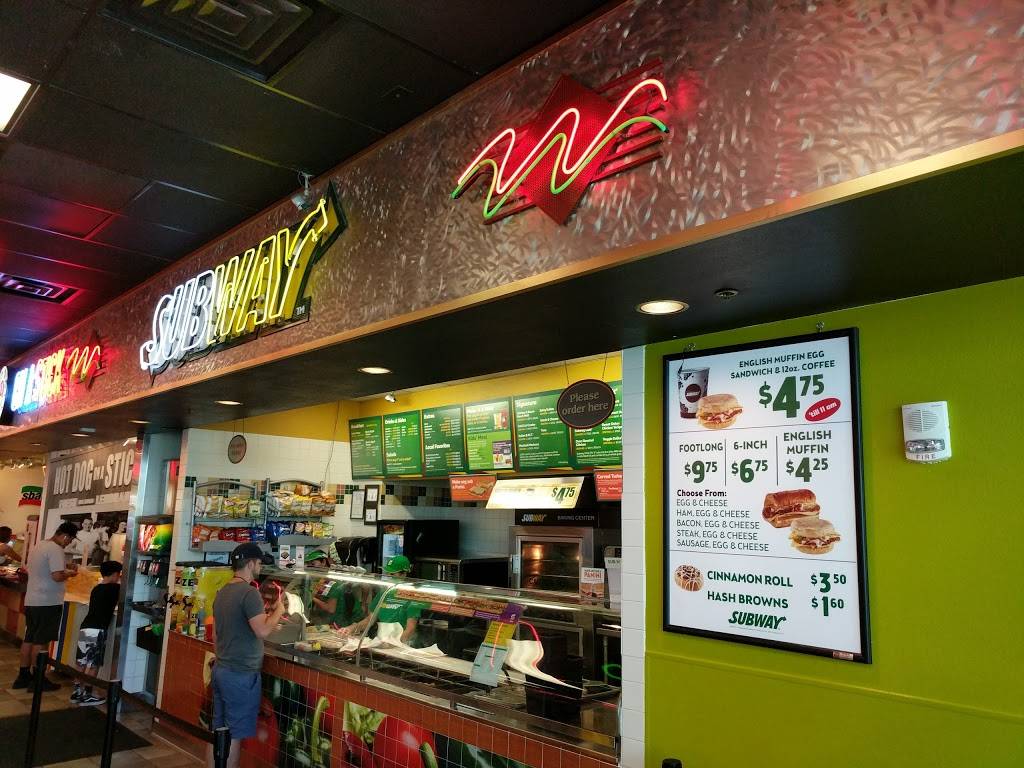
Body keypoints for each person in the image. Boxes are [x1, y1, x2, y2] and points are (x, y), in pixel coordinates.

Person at [210, 543, 284, 768]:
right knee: (234, 736)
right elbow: (262, 631)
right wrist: (278, 612)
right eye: (259, 563)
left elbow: (216, 635)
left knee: (219, 732)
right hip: (240, 675)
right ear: (250, 564)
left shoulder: (223, 592)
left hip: (221, 670)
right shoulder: (249, 592)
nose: (260, 567)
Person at [13, 521, 79, 690]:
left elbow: (43, 569)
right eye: (70, 540)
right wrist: (70, 574)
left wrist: (65, 568)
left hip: (32, 600)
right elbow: (57, 576)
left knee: (29, 638)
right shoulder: (56, 549)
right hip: (47, 602)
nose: (69, 543)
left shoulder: (40, 545)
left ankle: (23, 676)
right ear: (65, 536)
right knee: (41, 642)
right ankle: (38, 680)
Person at [338, 555, 423, 644]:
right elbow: (370, 620)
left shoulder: (412, 596)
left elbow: (410, 629)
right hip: (383, 641)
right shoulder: (384, 592)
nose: (388, 576)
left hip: (404, 644)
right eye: (387, 573)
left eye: (392, 574)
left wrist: (394, 643)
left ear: (404, 574)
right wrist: (351, 628)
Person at [72, 560, 123, 706]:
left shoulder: (97, 588)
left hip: (86, 626)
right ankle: (88, 694)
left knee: (81, 661)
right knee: (94, 664)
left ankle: (77, 692)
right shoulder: (114, 588)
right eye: (118, 574)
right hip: (97, 630)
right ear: (114, 574)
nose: (119, 577)